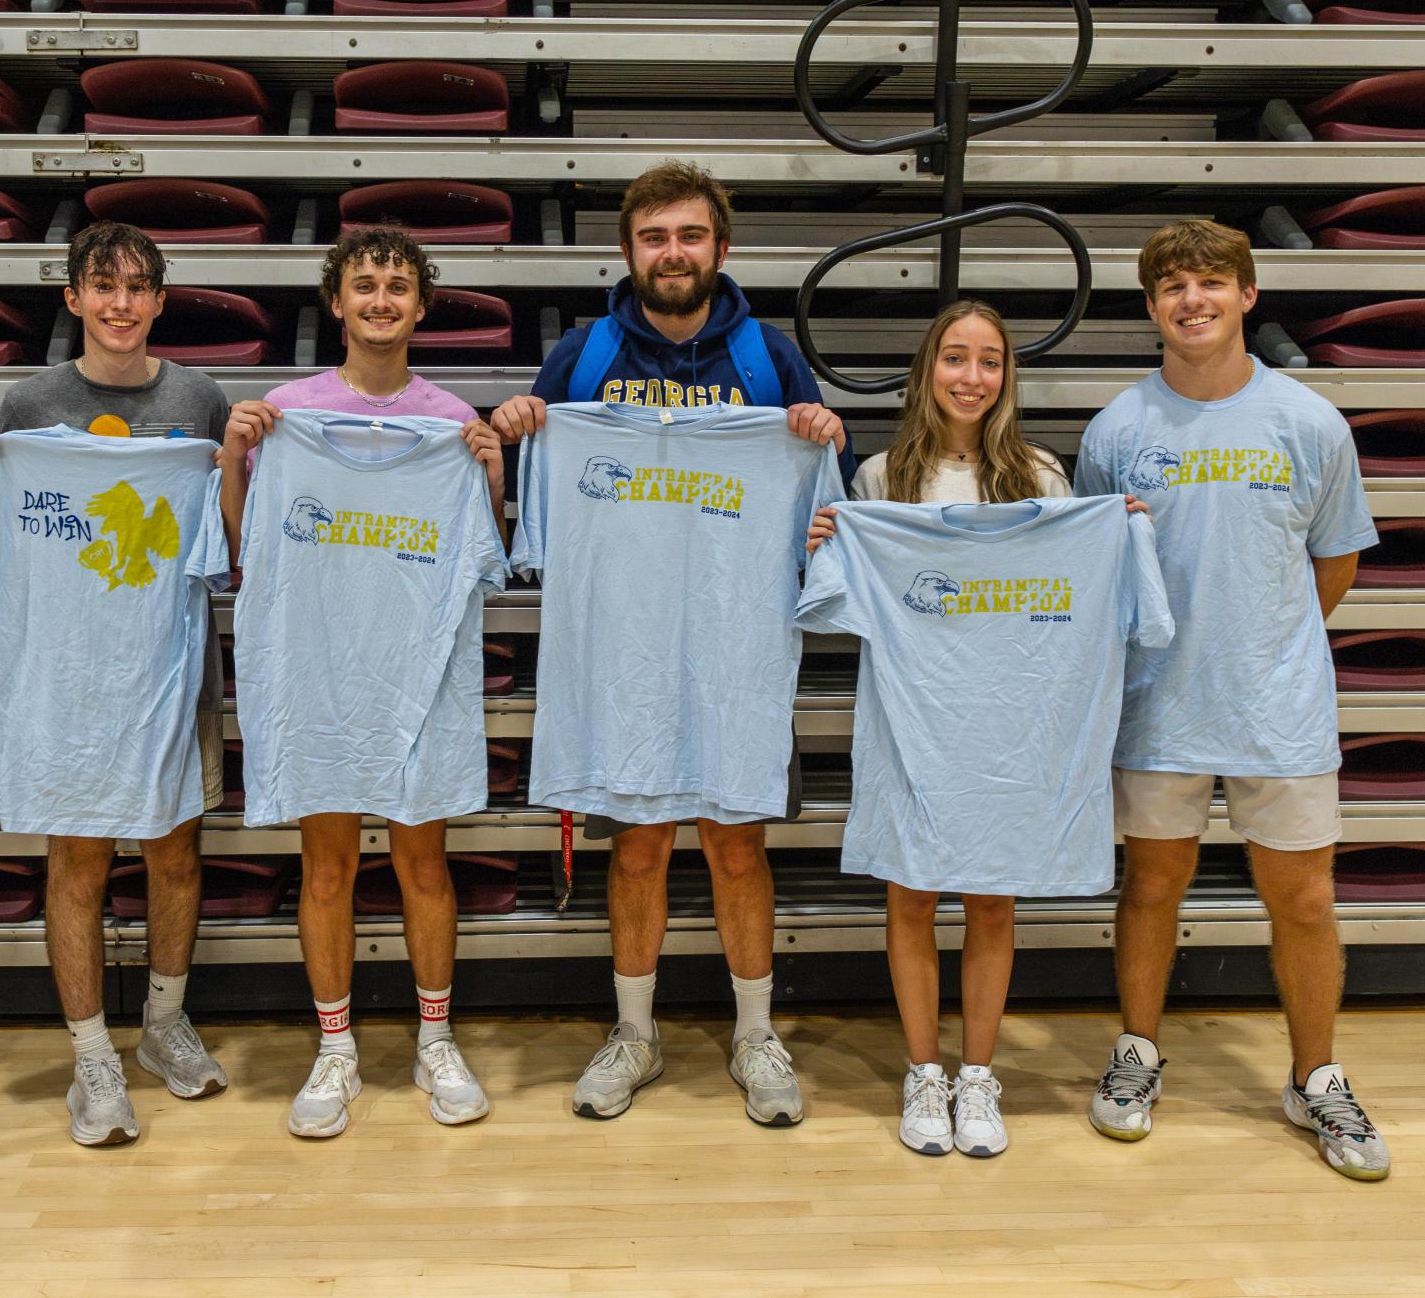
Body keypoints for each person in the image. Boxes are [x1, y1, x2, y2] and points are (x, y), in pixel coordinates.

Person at [490, 160, 849, 1124]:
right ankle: (636, 1034)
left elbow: (821, 518)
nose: (673, 253)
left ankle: (754, 1033)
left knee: (737, 845)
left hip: (736, 648)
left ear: (720, 249)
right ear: (628, 251)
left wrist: (818, 432)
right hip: (624, 652)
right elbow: (534, 492)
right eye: (654, 237)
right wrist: (525, 423)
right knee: (638, 846)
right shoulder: (581, 354)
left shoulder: (770, 359)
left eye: (689, 236)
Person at [1074, 220, 1389, 1181]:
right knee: (1151, 888)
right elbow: (1098, 573)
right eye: (1170, 285)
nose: (1190, 299)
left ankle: (1314, 1077)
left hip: (1276, 708)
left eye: (1210, 282)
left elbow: (1331, 561)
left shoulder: (1308, 422)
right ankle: (1135, 1054)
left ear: (1247, 296)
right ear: (1150, 306)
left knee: (1301, 898)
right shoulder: (1116, 431)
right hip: (1156, 706)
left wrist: (1264, 641)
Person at [809, 299, 1141, 1158]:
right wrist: (829, 542)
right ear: (926, 372)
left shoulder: (1041, 477)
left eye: (988, 360)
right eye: (954, 358)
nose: (971, 376)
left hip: (1012, 723)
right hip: (912, 718)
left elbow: (1076, 593)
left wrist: (1117, 536)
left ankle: (977, 1075)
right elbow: (839, 606)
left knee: (993, 895)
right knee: (911, 892)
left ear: (1006, 376)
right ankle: (923, 1073)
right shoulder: (880, 480)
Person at [0, 223, 234, 1147]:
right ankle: (90, 1056)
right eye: (101, 287)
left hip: (170, 665)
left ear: (160, 300)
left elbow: (226, 538)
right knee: (76, 862)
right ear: (72, 298)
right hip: (63, 676)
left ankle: (161, 1025)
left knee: (174, 853)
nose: (120, 304)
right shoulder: (28, 403)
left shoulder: (200, 398)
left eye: (138, 287)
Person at [220, 226, 506, 1138]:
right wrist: (235, 456)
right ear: (335, 304)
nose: (380, 300)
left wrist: (490, 475)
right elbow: (239, 546)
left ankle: (434, 1038)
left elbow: (483, 555)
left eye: (396, 286)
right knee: (328, 865)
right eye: (364, 285)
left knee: (425, 862)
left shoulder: (449, 416)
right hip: (320, 671)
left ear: (420, 306)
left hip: (417, 671)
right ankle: (335, 1049)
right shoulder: (284, 411)